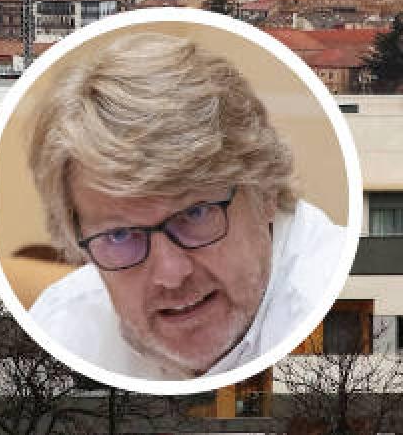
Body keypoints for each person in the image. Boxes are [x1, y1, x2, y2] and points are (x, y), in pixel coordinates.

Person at [26, 32, 345, 381]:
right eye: (119, 235)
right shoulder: (62, 329)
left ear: (264, 192)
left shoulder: (333, 293)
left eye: (194, 214)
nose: (171, 274)